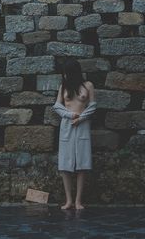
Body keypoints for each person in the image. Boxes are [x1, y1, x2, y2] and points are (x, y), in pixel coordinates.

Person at [53, 57, 96, 210]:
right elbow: (57, 106)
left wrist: (81, 118)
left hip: (82, 126)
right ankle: (69, 200)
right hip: (67, 125)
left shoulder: (88, 86)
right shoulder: (63, 87)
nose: (65, 76)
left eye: (67, 73)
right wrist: (70, 115)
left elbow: (92, 106)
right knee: (65, 164)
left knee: (82, 163)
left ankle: (78, 201)